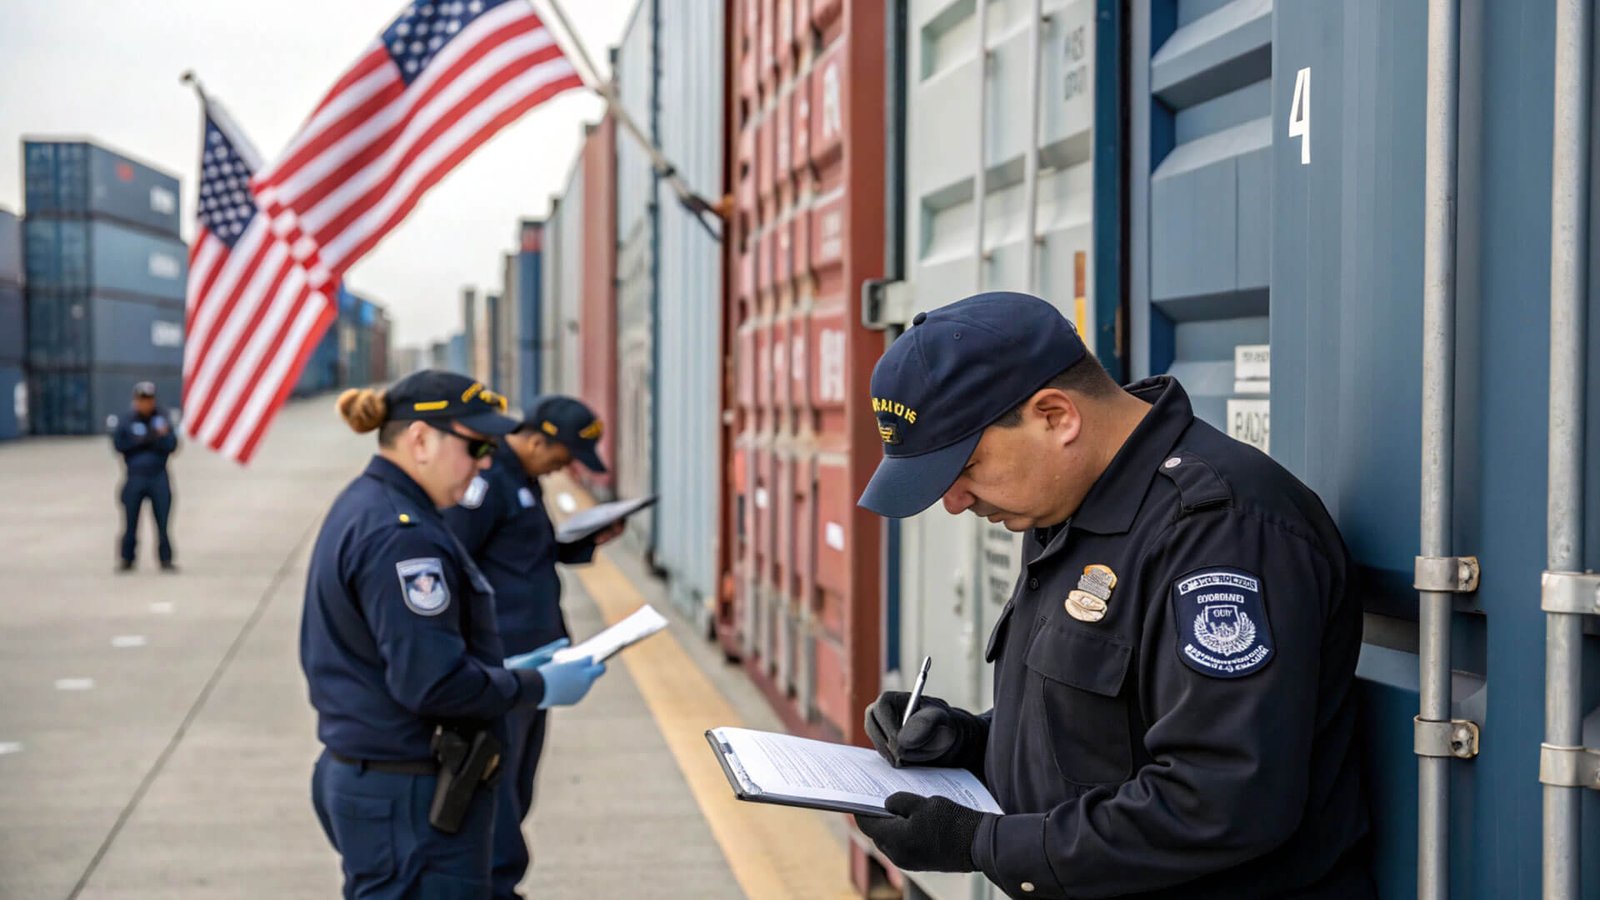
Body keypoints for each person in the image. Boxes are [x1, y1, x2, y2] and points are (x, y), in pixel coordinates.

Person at [853, 292, 1373, 898]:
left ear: (1056, 416)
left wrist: (982, 843)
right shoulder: (1069, 508)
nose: (954, 501)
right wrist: (966, 742)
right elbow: (1107, 732)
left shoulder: (1220, 534)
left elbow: (1219, 801)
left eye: (964, 467)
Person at [300, 371, 608, 899]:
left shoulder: (370, 504)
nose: (487, 462)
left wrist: (503, 673)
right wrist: (532, 686)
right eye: (476, 446)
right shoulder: (403, 538)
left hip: (385, 781)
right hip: (407, 793)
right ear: (421, 439)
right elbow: (432, 684)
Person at [442, 394, 621, 900]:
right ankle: (493, 886)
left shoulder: (522, 478)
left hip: (537, 665)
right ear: (536, 439)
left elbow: (520, 554)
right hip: (506, 665)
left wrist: (585, 542)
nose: (564, 468)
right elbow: (458, 561)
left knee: (517, 782)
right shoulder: (488, 480)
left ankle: (501, 882)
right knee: (496, 784)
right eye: (561, 457)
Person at [111, 381, 179, 572]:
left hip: (158, 476)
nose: (145, 404)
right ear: (135, 401)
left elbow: (172, 445)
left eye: (149, 400)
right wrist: (149, 440)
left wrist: (149, 440)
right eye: (142, 400)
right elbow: (119, 445)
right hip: (135, 477)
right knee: (130, 521)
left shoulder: (162, 419)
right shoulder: (127, 420)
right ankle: (127, 558)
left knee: (163, 522)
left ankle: (165, 559)